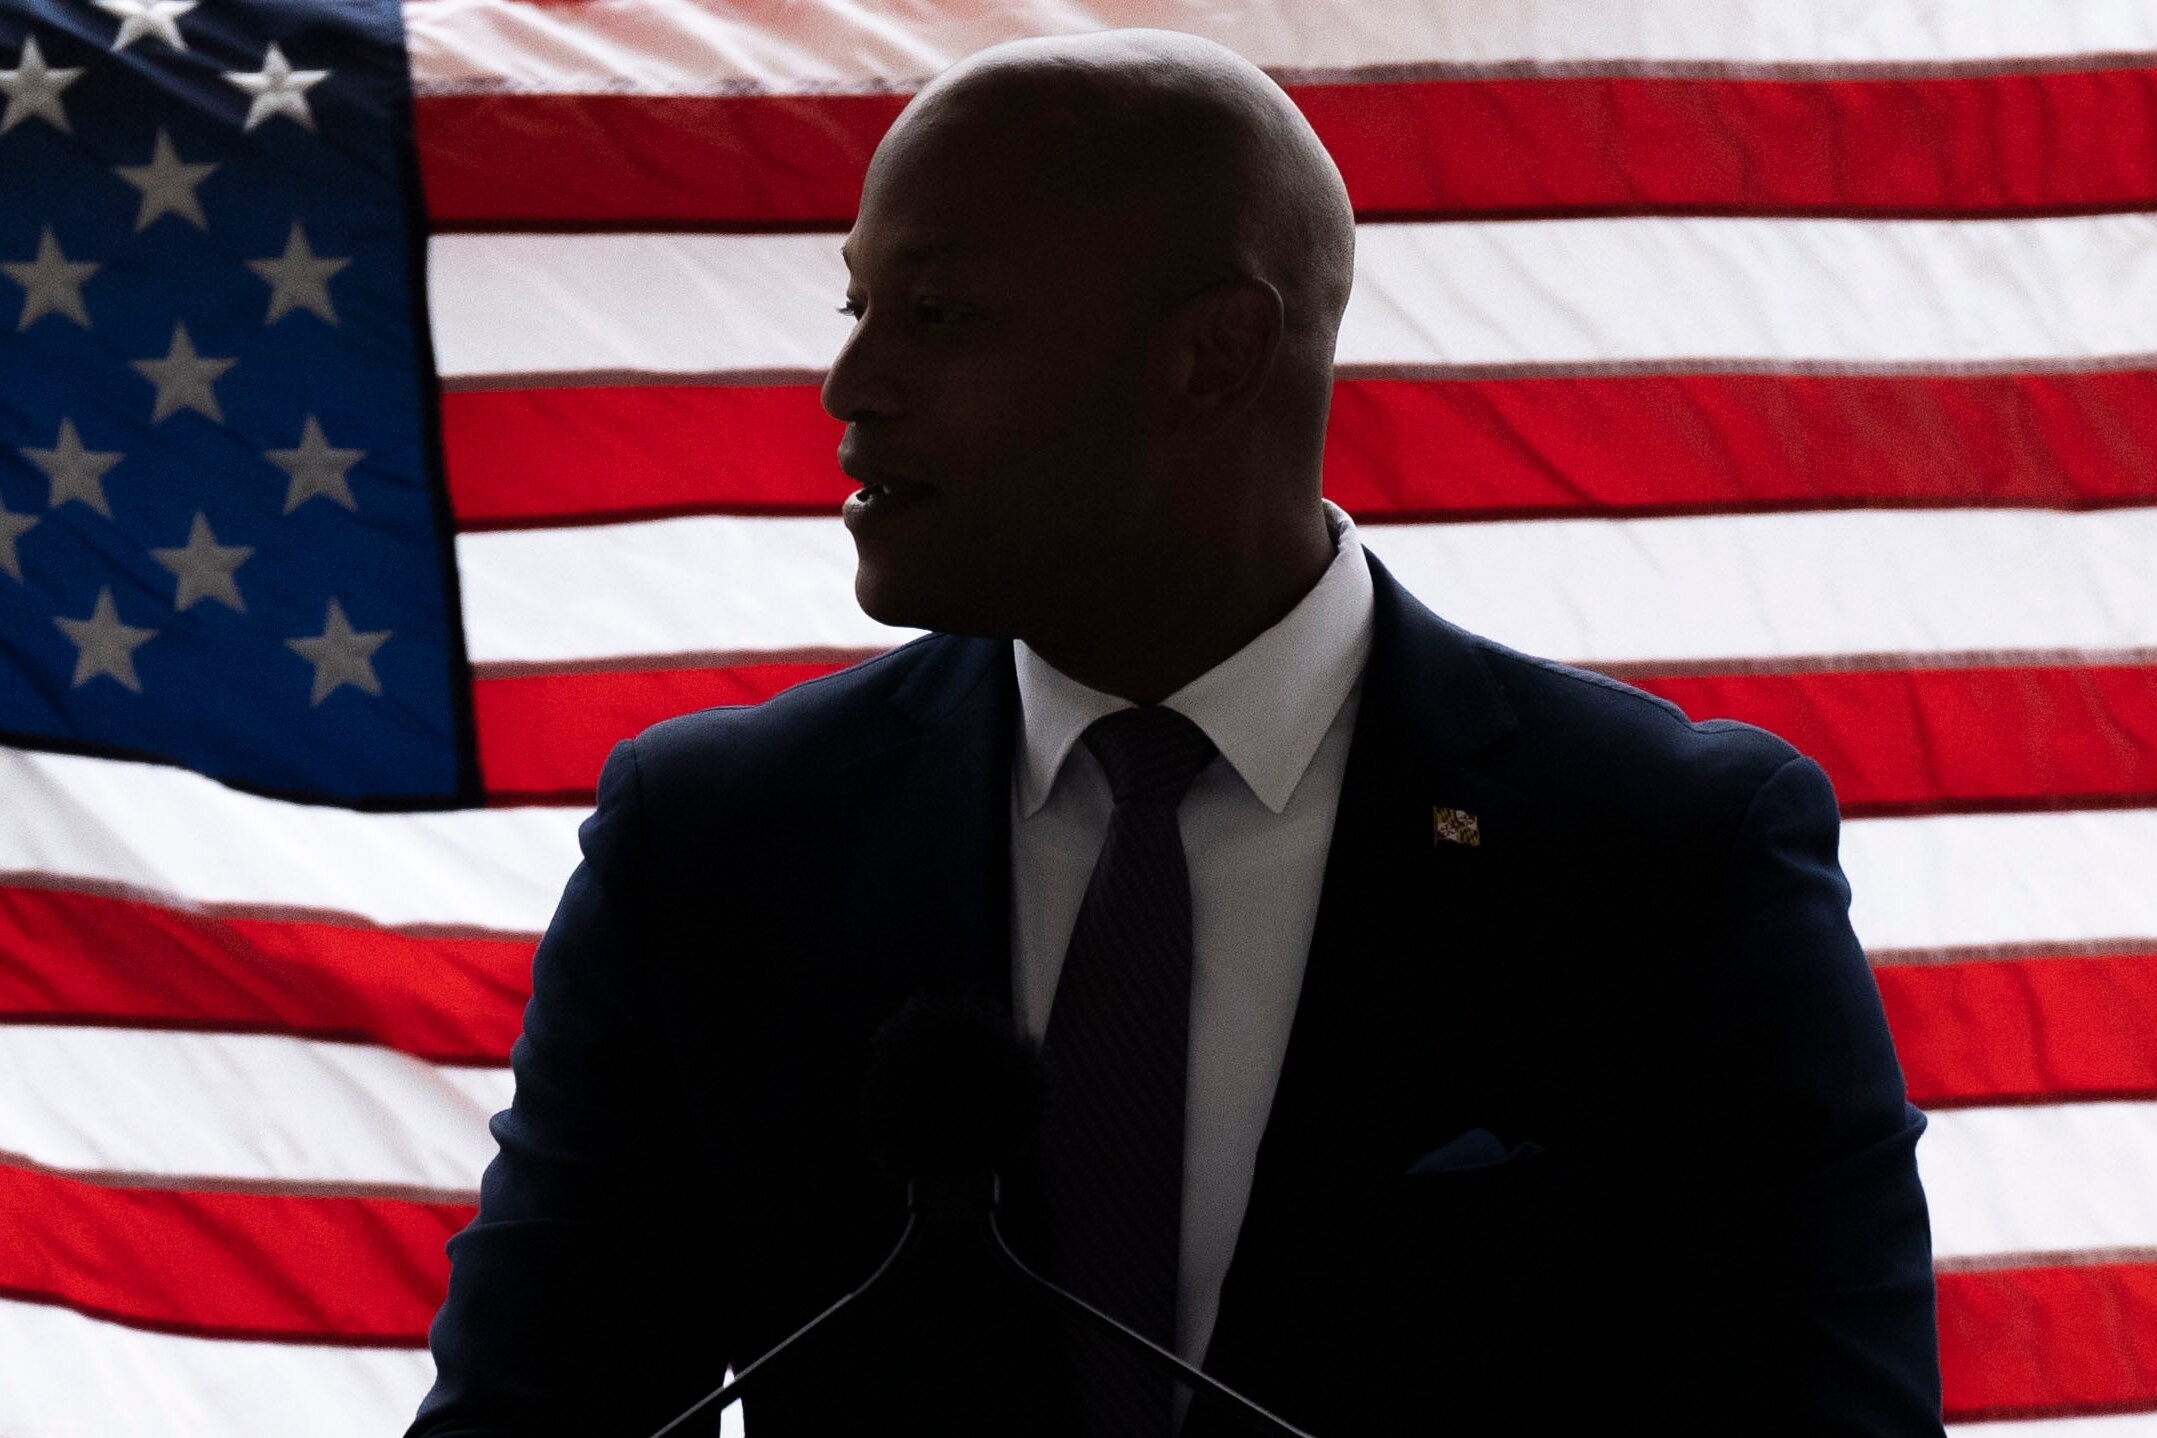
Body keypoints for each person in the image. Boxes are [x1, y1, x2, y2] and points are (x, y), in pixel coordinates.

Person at [407, 28, 1943, 1438]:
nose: (849, 384)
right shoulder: (718, 847)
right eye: (859, 304)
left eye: (935, 314)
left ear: (1212, 356)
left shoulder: (1661, 860)